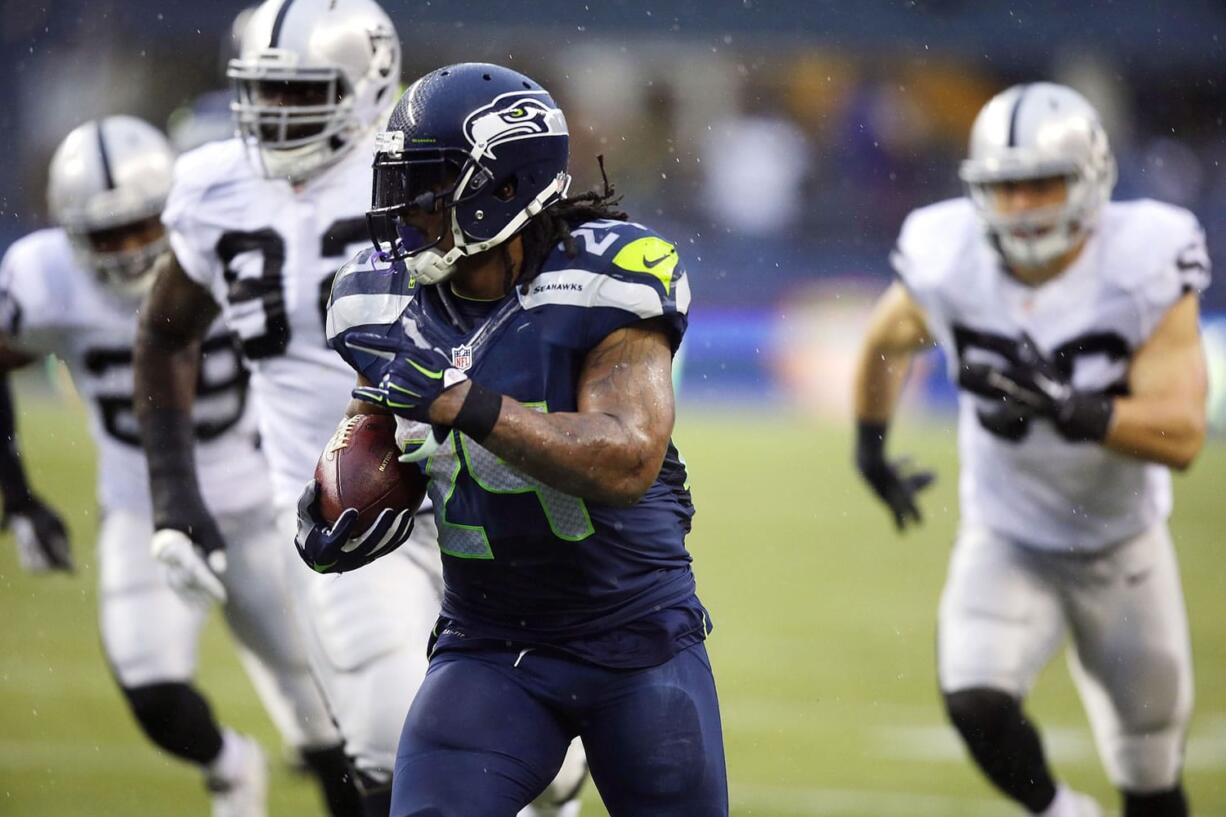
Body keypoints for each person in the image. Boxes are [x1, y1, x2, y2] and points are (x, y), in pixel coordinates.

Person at [131, 4, 584, 816]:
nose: (273, 118)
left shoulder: (430, 155)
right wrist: (173, 494)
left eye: (300, 93)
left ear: (368, 84)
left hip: (478, 476)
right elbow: (165, 333)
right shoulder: (212, 186)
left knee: (537, 755)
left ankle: (553, 767)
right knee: (384, 739)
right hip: (343, 491)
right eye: (262, 95)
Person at [296, 62, 728, 817]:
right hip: (489, 642)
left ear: (501, 185)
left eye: (427, 185)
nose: (406, 209)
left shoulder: (607, 279)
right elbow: (375, 418)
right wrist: (338, 495)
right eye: (398, 182)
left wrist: (467, 402)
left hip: (636, 638)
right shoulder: (376, 298)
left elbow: (628, 456)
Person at [853, 82, 1208, 817]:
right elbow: (885, 341)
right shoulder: (948, 255)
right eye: (1006, 187)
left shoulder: (1143, 256)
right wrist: (871, 446)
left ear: (1092, 180)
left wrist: (1078, 409)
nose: (1023, 207)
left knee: (1151, 777)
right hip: (1008, 535)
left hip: (1123, 543)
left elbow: (1182, 433)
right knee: (976, 699)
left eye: (1043, 183)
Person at [0, 115, 357, 817]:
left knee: (324, 712)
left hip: (264, 501)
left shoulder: (227, 243)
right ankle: (232, 767)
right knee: (150, 683)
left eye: (141, 226)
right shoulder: (43, 279)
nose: (132, 251)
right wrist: (18, 497)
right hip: (142, 504)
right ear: (71, 232)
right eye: (108, 235)